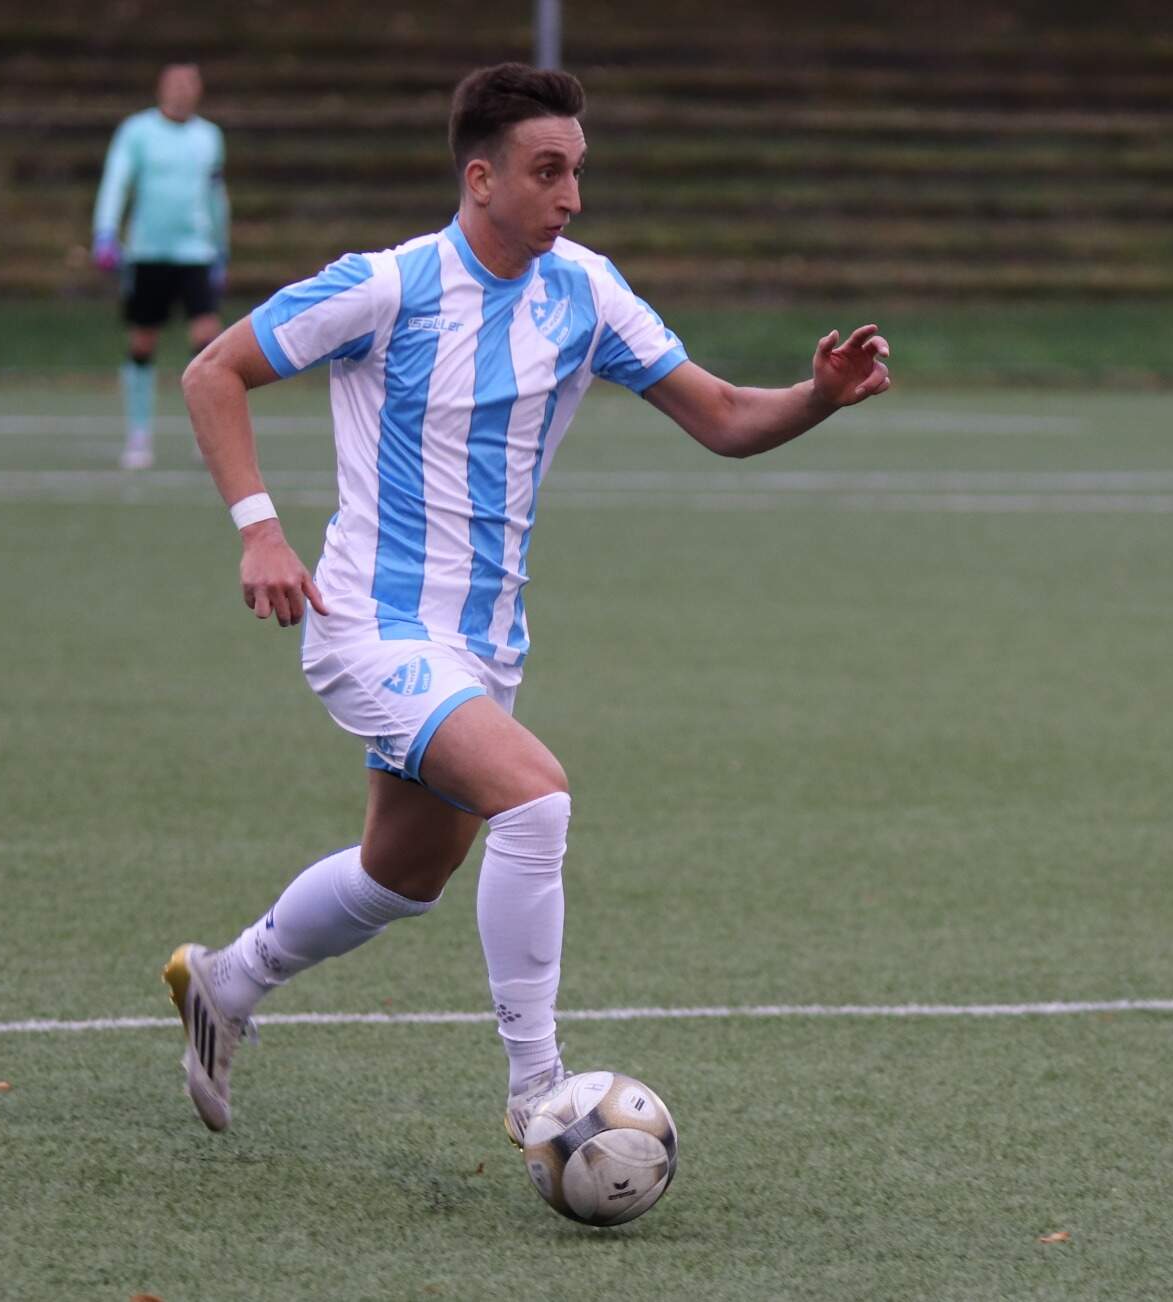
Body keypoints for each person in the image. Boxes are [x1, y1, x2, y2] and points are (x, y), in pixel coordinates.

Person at [166, 63, 890, 1141]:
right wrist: (260, 529)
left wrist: (817, 398)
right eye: (548, 172)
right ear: (480, 179)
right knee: (536, 800)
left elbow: (725, 416)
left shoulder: (585, 291)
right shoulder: (387, 286)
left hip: (485, 641)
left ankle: (227, 981)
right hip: (372, 622)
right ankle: (537, 1091)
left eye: (578, 171)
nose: (571, 196)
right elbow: (212, 372)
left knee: (403, 873)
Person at [91, 60, 229, 471]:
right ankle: (139, 435)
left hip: (196, 253)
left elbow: (216, 194)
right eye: (176, 83)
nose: (183, 90)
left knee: (207, 339)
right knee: (142, 342)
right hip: (148, 253)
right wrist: (105, 231)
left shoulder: (209, 137)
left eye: (191, 84)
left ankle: (206, 436)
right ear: (161, 88)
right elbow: (117, 180)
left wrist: (221, 247)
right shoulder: (137, 131)